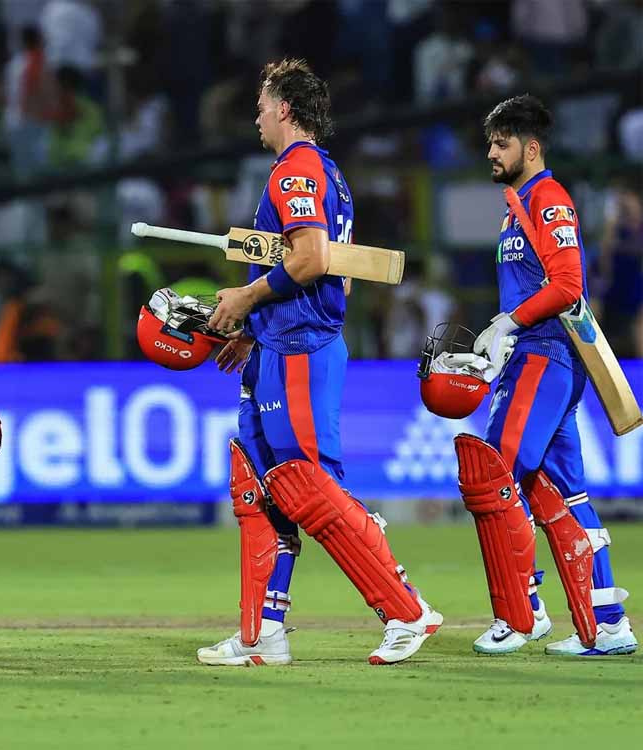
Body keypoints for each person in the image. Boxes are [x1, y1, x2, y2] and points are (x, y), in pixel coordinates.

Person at [197, 59, 442, 667]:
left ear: (284, 108)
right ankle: (263, 632)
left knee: (310, 488)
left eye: (261, 105)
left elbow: (309, 259)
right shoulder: (323, 173)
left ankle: (405, 609)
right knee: (263, 490)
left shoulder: (298, 170)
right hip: (281, 345)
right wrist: (256, 329)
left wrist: (245, 298)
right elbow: (343, 274)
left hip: (302, 350)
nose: (256, 116)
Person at [455, 94, 636, 656]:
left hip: (544, 356)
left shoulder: (548, 199)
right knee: (564, 492)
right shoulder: (516, 206)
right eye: (489, 143)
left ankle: (522, 610)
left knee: (494, 476)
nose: (491, 153)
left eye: (501, 143)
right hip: (534, 357)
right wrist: (503, 339)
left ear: (531, 148)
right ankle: (609, 623)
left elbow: (568, 286)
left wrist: (508, 324)